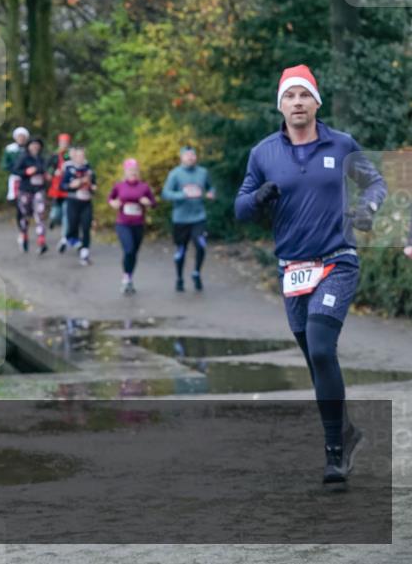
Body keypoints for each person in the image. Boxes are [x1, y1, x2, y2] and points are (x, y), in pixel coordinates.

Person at [234, 64, 386, 488]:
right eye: (290, 96)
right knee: (315, 360)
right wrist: (258, 197)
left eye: (304, 95)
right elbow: (240, 207)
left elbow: (374, 184)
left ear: (316, 102)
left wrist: (368, 210)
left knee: (321, 348)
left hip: (337, 260)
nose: (297, 103)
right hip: (292, 271)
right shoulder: (263, 153)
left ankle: (334, 451)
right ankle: (349, 432)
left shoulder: (341, 143)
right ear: (279, 105)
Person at [162, 146, 216, 292]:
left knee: (201, 245)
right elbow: (165, 193)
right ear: (181, 158)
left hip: (199, 217)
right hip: (180, 219)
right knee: (181, 250)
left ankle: (196, 273)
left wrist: (211, 194)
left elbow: (211, 188)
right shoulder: (175, 174)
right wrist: (182, 195)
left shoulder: (203, 172)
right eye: (187, 155)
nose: (191, 158)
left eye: (193, 155)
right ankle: (179, 278)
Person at [108, 158, 157, 294]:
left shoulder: (144, 187)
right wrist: (113, 203)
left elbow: (154, 203)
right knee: (128, 249)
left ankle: (129, 277)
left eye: (135, 170)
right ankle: (126, 278)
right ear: (125, 172)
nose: (133, 173)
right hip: (123, 224)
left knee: (133, 253)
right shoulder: (119, 186)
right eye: (130, 170)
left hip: (138, 224)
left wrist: (147, 202)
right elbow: (110, 198)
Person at [59, 146, 97, 265]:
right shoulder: (69, 169)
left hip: (86, 202)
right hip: (73, 201)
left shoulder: (89, 170)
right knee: (73, 225)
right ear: (74, 157)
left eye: (82, 156)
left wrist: (93, 187)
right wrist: (72, 185)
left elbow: (94, 185)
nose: (81, 158)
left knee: (86, 227)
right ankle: (67, 239)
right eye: (78, 156)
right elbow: (62, 186)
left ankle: (84, 254)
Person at [12, 137, 50, 254]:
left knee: (40, 213)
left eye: (37, 145)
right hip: (25, 190)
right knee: (24, 214)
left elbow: (46, 170)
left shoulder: (42, 159)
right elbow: (15, 170)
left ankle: (41, 240)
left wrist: (46, 175)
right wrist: (26, 172)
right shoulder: (23, 158)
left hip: (39, 189)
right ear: (28, 146)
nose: (35, 147)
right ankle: (24, 235)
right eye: (32, 144)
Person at [1, 126, 29, 222]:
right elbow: (5, 164)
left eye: (23, 136)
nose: (21, 138)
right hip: (16, 178)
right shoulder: (10, 149)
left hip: (27, 178)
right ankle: (21, 222)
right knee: (18, 202)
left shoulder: (29, 148)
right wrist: (16, 170)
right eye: (19, 136)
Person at [47, 132, 71, 239]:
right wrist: (53, 172)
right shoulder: (54, 155)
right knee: (56, 211)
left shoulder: (70, 154)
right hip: (56, 187)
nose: (64, 144)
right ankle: (53, 220)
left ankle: (64, 237)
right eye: (62, 142)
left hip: (67, 187)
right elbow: (48, 168)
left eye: (66, 142)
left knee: (66, 212)